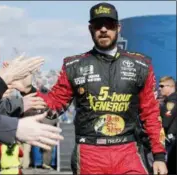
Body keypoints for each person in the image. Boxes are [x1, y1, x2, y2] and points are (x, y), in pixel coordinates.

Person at [12, 2, 167, 174]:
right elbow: (54, 107)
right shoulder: (74, 65)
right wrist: (28, 90)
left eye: (108, 24)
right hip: (89, 153)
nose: (103, 29)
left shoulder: (140, 65)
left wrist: (159, 156)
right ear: (90, 29)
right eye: (97, 25)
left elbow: (151, 113)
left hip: (128, 152)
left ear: (118, 27)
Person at [159, 76, 177, 174]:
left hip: (170, 140)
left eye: (162, 86)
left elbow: (165, 122)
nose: (159, 88)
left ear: (170, 86)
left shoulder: (172, 102)